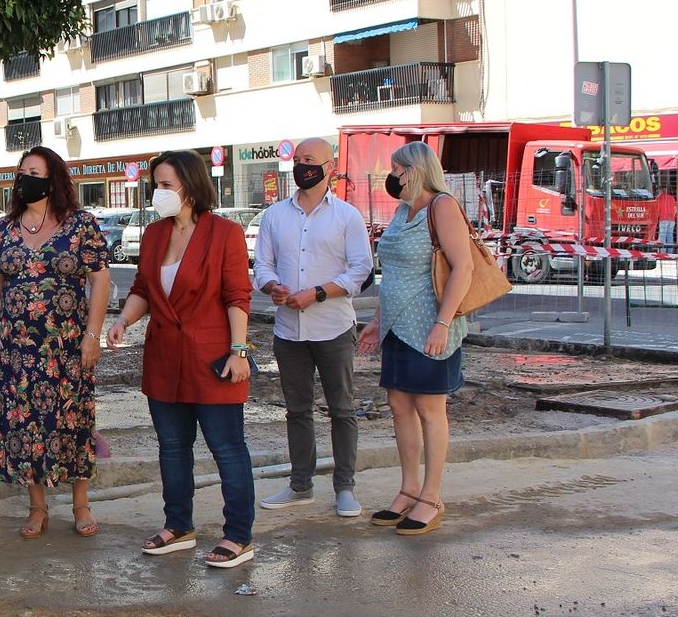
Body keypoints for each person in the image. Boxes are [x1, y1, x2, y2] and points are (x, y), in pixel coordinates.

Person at [107, 150, 257, 568]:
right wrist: (123, 321)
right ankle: (179, 525)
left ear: (189, 188)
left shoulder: (223, 232)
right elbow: (142, 287)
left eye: (165, 185)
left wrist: (239, 349)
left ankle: (239, 535)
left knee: (227, 449)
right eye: (155, 184)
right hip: (164, 358)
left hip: (213, 358)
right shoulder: (155, 234)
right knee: (172, 448)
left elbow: (236, 295)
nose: (158, 192)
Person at [0, 147, 112, 538]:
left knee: (72, 421)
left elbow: (100, 281)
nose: (24, 179)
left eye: (33, 172)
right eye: (21, 172)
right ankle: (37, 508)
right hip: (17, 348)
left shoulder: (81, 225)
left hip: (68, 345)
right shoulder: (5, 228)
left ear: (52, 180)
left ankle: (80, 504)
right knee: (26, 425)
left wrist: (92, 336)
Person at [355, 142, 474, 536]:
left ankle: (431, 495)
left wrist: (442, 323)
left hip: (430, 328)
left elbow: (462, 267)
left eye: (396, 169)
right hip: (397, 327)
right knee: (400, 406)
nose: (392, 177)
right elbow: (395, 276)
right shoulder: (404, 211)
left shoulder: (442, 206)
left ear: (415, 169)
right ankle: (407, 490)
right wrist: (376, 320)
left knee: (429, 408)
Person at [253, 137, 374, 517]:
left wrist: (317, 293)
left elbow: (361, 269)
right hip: (289, 330)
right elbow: (263, 266)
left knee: (342, 408)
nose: (302, 165)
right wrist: (273, 287)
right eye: (298, 158)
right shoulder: (274, 215)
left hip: (333, 327)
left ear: (329, 167)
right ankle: (300, 485)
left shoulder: (346, 216)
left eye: (311, 159)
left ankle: (345, 487)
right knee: (297, 410)